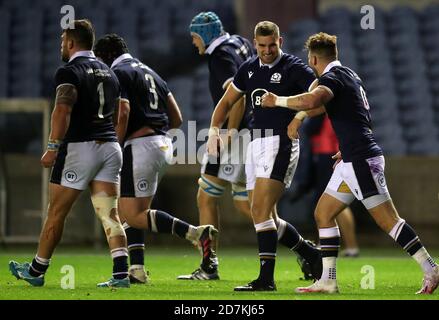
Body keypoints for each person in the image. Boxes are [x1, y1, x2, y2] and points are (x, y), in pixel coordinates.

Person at [261, 32, 439, 294]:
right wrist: (306, 122)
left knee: (389, 221)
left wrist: (277, 100)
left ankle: (431, 268)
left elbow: (313, 100)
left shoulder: (332, 78)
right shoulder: (349, 75)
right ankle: (328, 281)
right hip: (351, 159)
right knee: (323, 214)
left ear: (312, 58)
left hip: (361, 160)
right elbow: (338, 110)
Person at [9, 20, 130, 288]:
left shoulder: (69, 71)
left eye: (63, 41)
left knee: (56, 212)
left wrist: (52, 147)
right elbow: (122, 112)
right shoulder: (111, 73)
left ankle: (37, 270)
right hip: (110, 148)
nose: (61, 45)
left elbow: (62, 110)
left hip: (79, 148)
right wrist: (113, 140)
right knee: (110, 215)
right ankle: (121, 274)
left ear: (72, 43)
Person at [206, 21, 322, 291]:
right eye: (261, 46)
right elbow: (226, 102)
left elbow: (319, 98)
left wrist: (299, 118)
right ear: (255, 43)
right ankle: (310, 254)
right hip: (255, 143)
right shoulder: (248, 69)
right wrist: (214, 131)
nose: (267, 51)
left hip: (280, 141)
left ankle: (266, 280)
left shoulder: (293, 67)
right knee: (262, 213)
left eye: (272, 45)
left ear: (280, 41)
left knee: (259, 211)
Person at [93, 34, 217, 284]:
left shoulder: (118, 73)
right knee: (136, 209)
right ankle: (136, 270)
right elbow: (177, 117)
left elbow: (124, 110)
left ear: (107, 56)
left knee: (130, 213)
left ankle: (195, 233)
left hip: (139, 147)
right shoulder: (152, 72)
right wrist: (154, 131)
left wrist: (115, 144)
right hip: (162, 144)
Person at [178, 11, 255, 280]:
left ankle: (209, 265)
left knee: (206, 197)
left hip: (234, 135)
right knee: (251, 206)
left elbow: (239, 97)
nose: (194, 43)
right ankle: (304, 249)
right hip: (254, 131)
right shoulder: (240, 42)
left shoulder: (220, 56)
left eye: (195, 37)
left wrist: (229, 133)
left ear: (205, 35)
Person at [305, 114, 360, 257]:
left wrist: (302, 115)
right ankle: (347, 246)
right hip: (331, 152)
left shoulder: (325, 103)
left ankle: (329, 247)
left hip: (329, 153)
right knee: (335, 202)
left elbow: (312, 128)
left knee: (333, 202)